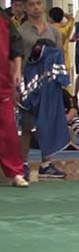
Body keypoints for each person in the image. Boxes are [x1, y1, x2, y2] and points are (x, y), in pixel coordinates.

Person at [18, 0, 65, 180]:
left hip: (49, 86)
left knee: (47, 123)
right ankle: (23, 164)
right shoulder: (21, 32)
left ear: (44, 6)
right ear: (25, 7)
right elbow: (16, 59)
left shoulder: (54, 31)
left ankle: (47, 164)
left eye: (38, 3)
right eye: (31, 4)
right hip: (28, 85)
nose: (36, 7)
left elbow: (59, 56)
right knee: (27, 125)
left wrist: (61, 83)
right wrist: (17, 86)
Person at [0, 9, 28, 187]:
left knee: (8, 130)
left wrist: (17, 70)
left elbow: (16, 46)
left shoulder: (3, 18)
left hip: (2, 85)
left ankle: (16, 172)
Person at [48, 7, 75, 74]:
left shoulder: (47, 30)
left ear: (51, 18)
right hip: (64, 61)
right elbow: (71, 19)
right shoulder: (65, 28)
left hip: (51, 62)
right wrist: (63, 14)